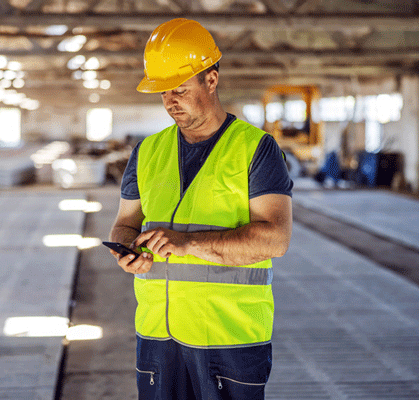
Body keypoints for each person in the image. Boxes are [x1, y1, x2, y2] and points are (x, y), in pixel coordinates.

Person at [109, 18, 293, 400]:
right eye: (162, 92)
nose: (170, 101)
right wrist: (128, 252)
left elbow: (275, 239)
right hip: (157, 335)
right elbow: (125, 224)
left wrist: (185, 244)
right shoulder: (147, 152)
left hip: (230, 336)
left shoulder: (256, 149)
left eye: (179, 88)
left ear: (211, 79)